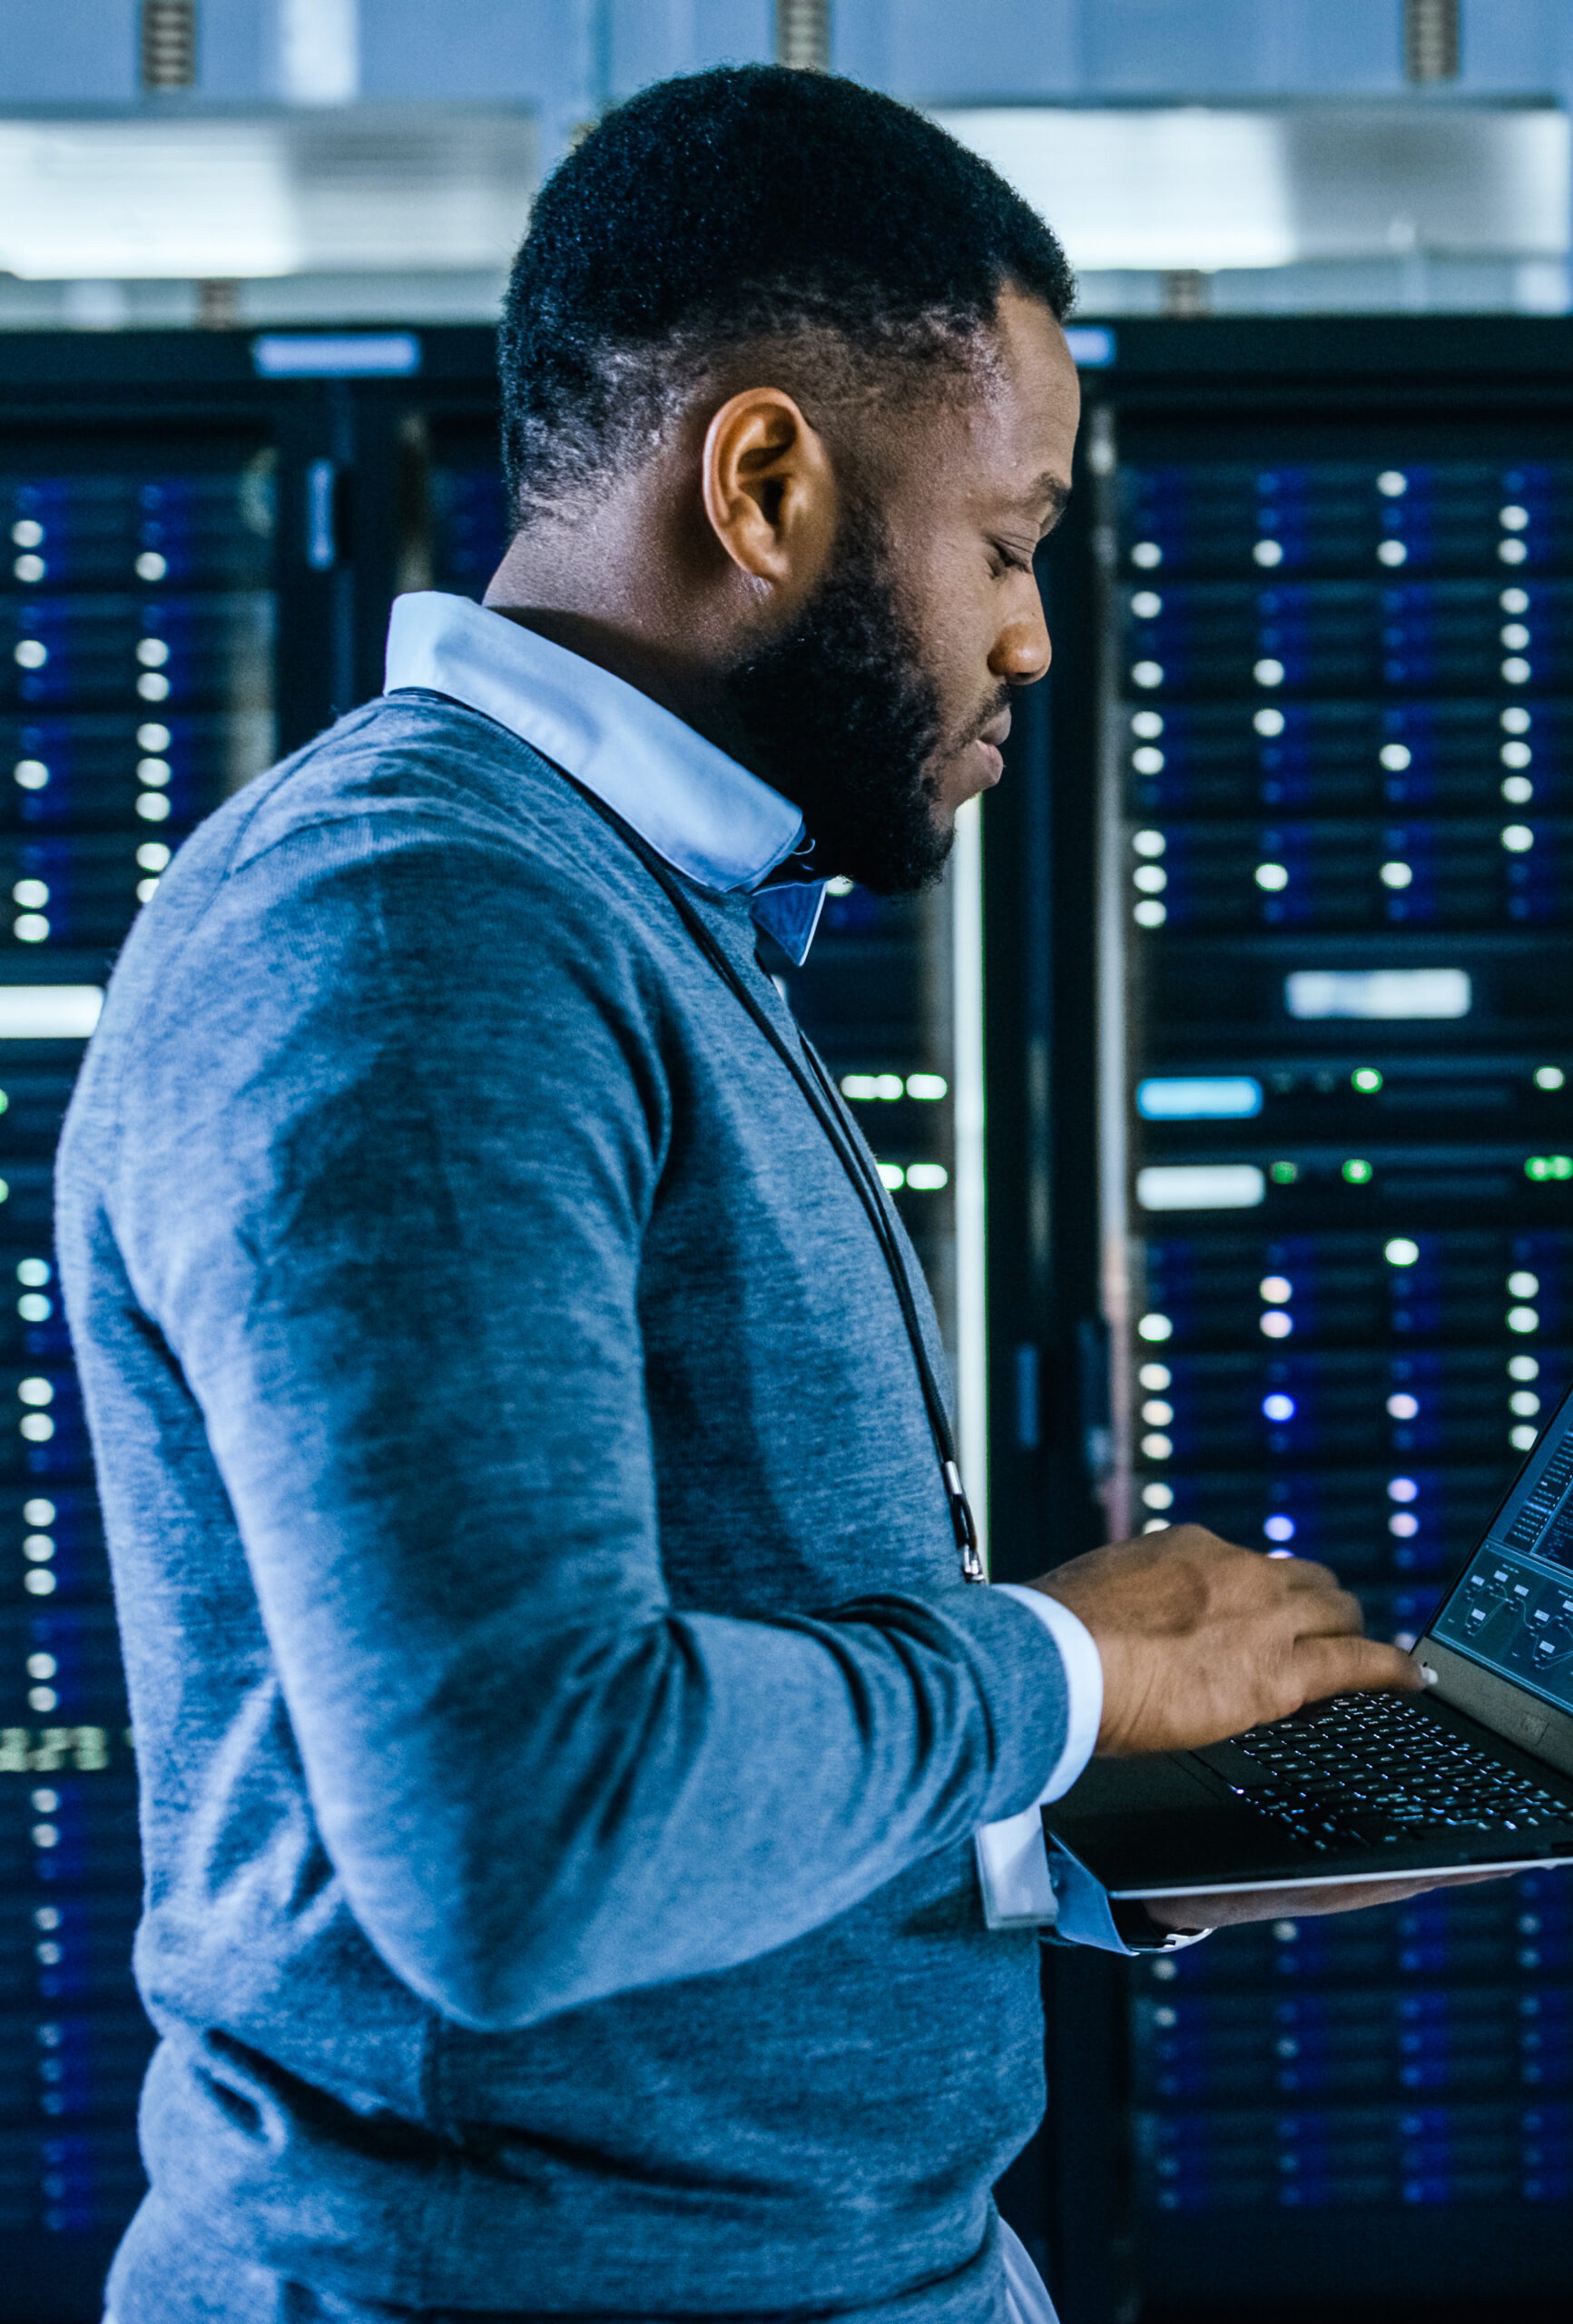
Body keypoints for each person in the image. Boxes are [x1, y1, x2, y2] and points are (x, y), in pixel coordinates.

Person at [58, 66, 1461, 2324]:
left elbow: (712, 1702)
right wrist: (1072, 1665)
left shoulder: (637, 909)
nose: (1030, 638)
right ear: (766, 479)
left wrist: (1104, 1816)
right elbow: (518, 1833)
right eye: (1004, 546)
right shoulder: (416, 938)